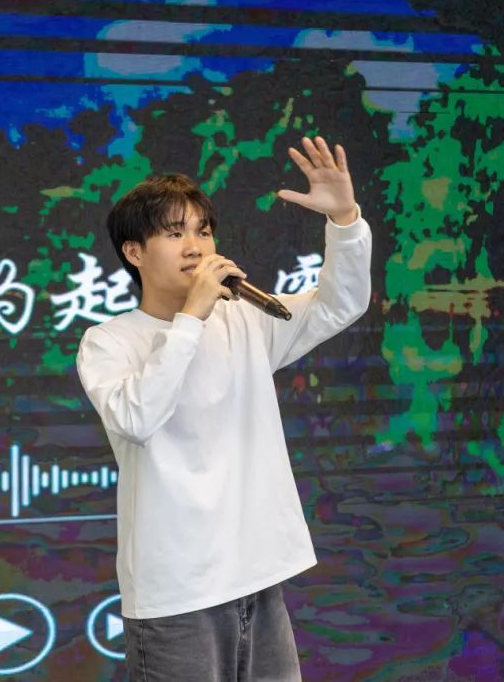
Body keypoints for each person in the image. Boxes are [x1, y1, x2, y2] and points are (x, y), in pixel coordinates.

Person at [76, 136, 372, 681]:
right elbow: (138, 419)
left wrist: (345, 220)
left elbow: (340, 304)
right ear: (134, 252)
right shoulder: (109, 341)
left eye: (203, 231)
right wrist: (191, 317)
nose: (195, 247)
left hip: (258, 578)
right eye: (174, 234)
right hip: (177, 595)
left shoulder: (246, 319)